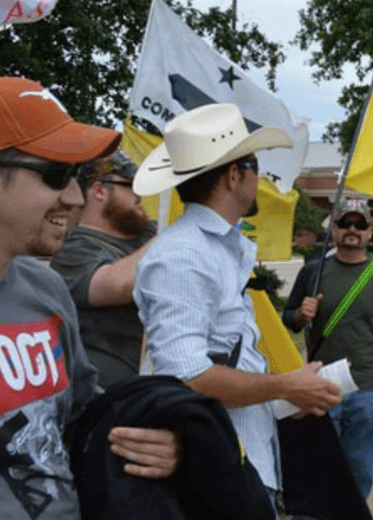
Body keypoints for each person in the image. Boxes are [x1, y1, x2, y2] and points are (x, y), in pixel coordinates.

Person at [0, 76, 179, 520]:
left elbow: (82, 416)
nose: (74, 197)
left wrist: (152, 444)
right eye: (56, 175)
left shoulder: (45, 289)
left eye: (77, 177)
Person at [132, 103, 342, 515]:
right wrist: (285, 387)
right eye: (255, 167)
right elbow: (187, 377)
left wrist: (285, 395)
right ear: (233, 175)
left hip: (233, 463)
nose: (259, 180)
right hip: (214, 476)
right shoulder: (183, 256)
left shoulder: (214, 250)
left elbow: (226, 360)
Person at [282, 199, 373, 499]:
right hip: (320, 386)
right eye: (345, 223)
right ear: (334, 229)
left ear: (369, 233)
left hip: (365, 390)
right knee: (316, 468)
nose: (352, 230)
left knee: (358, 471)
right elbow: (288, 318)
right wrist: (300, 315)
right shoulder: (312, 272)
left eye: (360, 224)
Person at [50, 150, 155, 387]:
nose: (140, 194)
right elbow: (118, 285)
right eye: (131, 185)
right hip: (110, 395)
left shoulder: (148, 236)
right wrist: (174, 234)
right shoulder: (74, 250)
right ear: (99, 191)